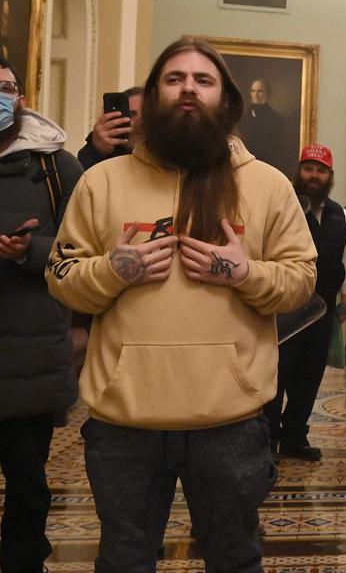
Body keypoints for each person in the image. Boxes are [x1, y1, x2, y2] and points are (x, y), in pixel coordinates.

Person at [45, 37, 317, 570]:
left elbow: (301, 279)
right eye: (174, 79)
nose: (188, 89)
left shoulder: (267, 185)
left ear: (226, 101)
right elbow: (61, 276)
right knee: (125, 559)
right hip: (125, 423)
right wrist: (114, 269)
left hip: (232, 422)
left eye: (203, 80)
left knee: (234, 559)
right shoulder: (102, 181)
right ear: (150, 98)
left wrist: (243, 272)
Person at [0, 57, 82, 573]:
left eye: (6, 87)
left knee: (29, 480)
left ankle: (23, 557)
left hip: (34, 349)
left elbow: (83, 246)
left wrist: (30, 251)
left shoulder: (56, 165)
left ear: (22, 97)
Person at [264, 143, 346, 461]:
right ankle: (268, 440)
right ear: (299, 171)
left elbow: (345, 256)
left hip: (322, 311)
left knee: (309, 378)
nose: (314, 176)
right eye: (308, 169)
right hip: (285, 310)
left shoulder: (338, 213)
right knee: (277, 376)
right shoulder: (282, 205)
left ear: (329, 175)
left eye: (321, 170)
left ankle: (295, 438)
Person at [78, 86, 144, 170]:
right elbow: (81, 178)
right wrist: (96, 150)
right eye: (131, 115)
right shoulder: (99, 151)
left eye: (147, 114)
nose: (139, 122)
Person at [238, 78, 293, 174]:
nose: (256, 94)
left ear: (267, 94)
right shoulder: (242, 118)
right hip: (244, 169)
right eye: (253, 91)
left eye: (260, 91)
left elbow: (278, 149)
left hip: (267, 168)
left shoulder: (276, 120)